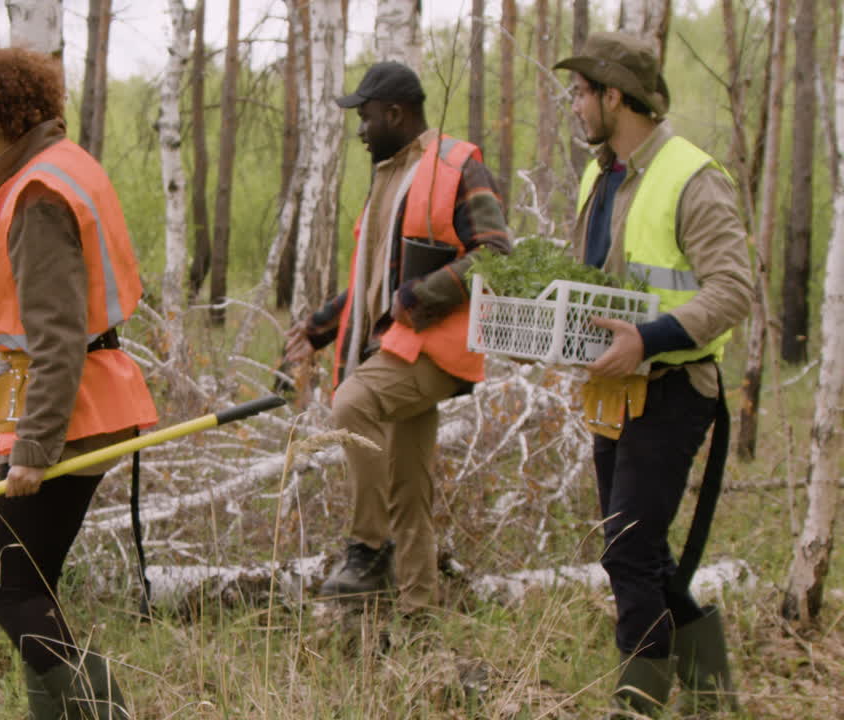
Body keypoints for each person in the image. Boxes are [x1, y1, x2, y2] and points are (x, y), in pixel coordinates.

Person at [0, 46, 157, 720]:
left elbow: (58, 338)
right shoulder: (58, 168)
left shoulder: (38, 196)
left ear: (4, 118)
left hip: (74, 409)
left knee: (10, 589)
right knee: (28, 583)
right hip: (78, 402)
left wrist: (33, 448)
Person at [555, 32, 754, 716]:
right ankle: (714, 697)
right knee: (643, 550)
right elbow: (593, 282)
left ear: (615, 96)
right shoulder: (600, 174)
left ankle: (635, 704)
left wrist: (647, 340)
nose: (574, 105)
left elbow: (733, 291)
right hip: (613, 388)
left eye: (581, 93)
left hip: (673, 386)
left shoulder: (692, 177)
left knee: (628, 553)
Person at [284, 61, 510, 619]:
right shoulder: (389, 175)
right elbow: (373, 279)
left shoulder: (458, 165)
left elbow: (499, 255)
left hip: (436, 348)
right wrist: (318, 327)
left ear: (395, 113)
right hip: (399, 346)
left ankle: (367, 547)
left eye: (364, 117)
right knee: (410, 492)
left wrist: (422, 297)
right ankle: (419, 621)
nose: (359, 130)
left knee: (352, 404)